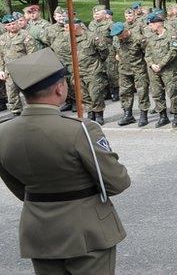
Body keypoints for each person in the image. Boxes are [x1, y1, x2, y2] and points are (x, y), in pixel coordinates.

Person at [0, 48, 131, 274]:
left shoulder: (3, 132)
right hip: (87, 230)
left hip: (38, 228)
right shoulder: (81, 129)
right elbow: (117, 181)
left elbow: (18, 188)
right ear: (60, 88)